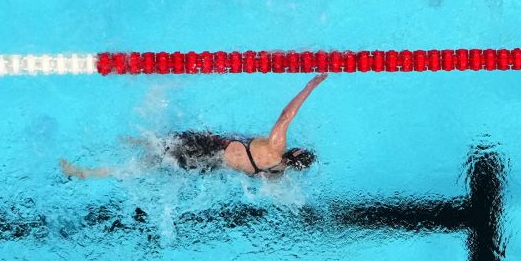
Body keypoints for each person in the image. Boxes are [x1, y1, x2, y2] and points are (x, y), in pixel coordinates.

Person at [60, 73, 328, 179]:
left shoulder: (275, 149)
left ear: (295, 152)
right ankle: (99, 167)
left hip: (207, 148)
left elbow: (285, 116)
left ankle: (95, 166)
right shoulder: (276, 172)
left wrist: (310, 86)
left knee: (157, 146)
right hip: (207, 165)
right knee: (152, 161)